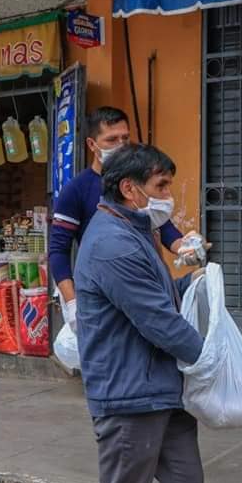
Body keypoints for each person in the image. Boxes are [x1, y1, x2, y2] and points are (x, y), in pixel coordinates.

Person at [75, 144, 217, 483]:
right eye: (160, 188)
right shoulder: (112, 242)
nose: (167, 198)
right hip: (128, 393)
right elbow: (157, 319)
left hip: (160, 386)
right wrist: (212, 358)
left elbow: (164, 296)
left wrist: (194, 283)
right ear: (129, 189)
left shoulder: (138, 231)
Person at [49, 107, 199, 333]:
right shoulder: (76, 190)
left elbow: (160, 223)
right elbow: (58, 251)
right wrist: (72, 302)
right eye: (111, 139)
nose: (121, 145)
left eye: (125, 138)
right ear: (92, 145)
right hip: (106, 287)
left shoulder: (138, 181)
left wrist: (185, 248)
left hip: (145, 280)